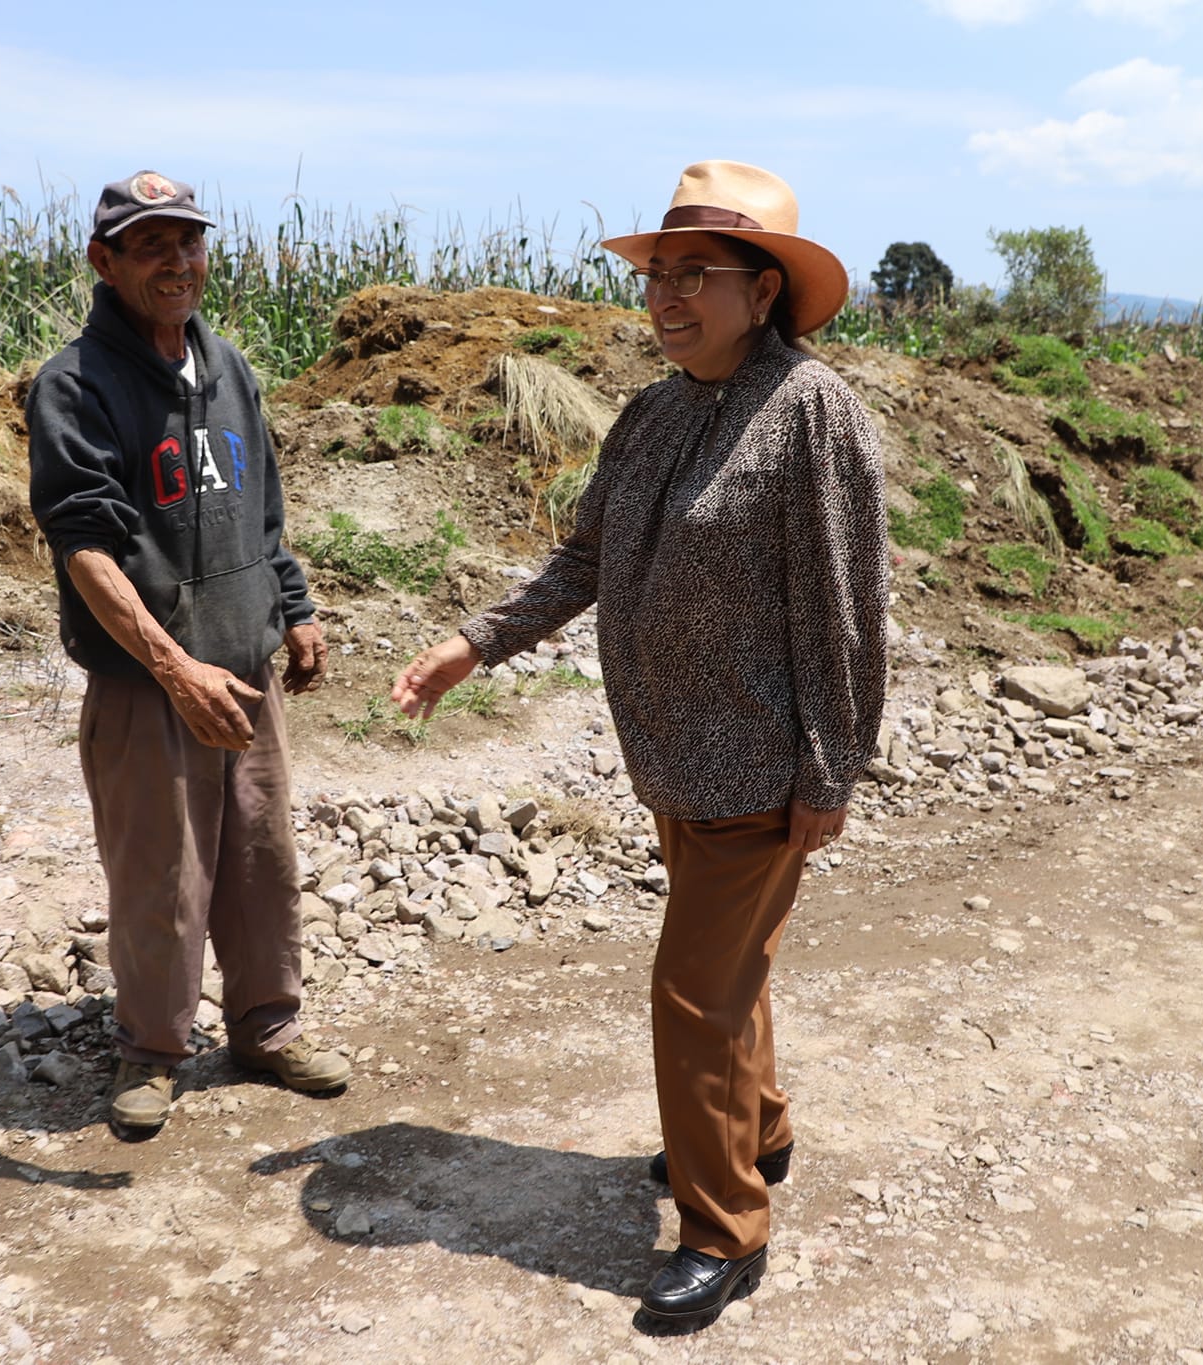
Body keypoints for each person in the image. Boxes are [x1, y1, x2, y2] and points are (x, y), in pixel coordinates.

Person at [392, 161, 888, 1328]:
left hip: (759, 765)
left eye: (693, 276)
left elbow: (842, 610)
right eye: (656, 276)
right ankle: (751, 1132)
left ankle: (722, 1229)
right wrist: (478, 643)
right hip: (669, 756)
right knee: (729, 975)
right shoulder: (655, 409)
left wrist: (832, 768)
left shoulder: (812, 416)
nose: (665, 296)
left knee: (690, 994)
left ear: (761, 293)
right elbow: (582, 562)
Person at [28, 170, 351, 1137]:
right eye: (151, 244)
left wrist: (291, 607)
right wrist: (173, 666)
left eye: (190, 242)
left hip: (245, 669)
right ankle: (154, 1048)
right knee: (161, 874)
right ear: (105, 261)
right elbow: (83, 544)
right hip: (147, 679)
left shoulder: (230, 367)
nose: (178, 260)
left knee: (260, 858)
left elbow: (264, 510)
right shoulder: (74, 384)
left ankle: (266, 1026)